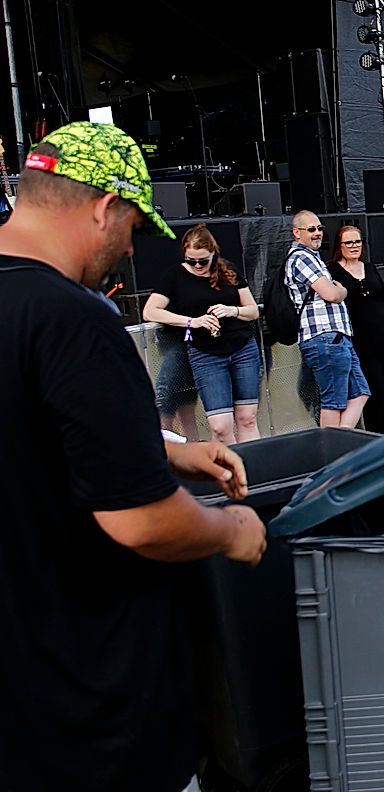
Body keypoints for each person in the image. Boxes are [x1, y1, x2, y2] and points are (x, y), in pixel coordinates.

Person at [0, 121, 266, 792]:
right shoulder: (72, 317)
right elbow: (140, 521)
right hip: (92, 712)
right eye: (130, 228)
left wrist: (168, 451)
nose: (125, 250)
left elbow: (32, 431)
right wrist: (229, 531)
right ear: (102, 207)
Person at [143, 223, 262, 444]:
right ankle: (235, 471)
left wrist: (232, 310)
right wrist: (192, 322)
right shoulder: (175, 276)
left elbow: (253, 310)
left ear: (213, 254)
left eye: (203, 261)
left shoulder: (228, 270)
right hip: (205, 353)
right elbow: (150, 311)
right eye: (192, 261)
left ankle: (253, 469)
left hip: (242, 347)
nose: (197, 265)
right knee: (220, 426)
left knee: (247, 418)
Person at [287, 210, 370, 428]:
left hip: (337, 337)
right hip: (323, 337)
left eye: (319, 229)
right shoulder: (301, 257)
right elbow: (332, 294)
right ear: (297, 233)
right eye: (311, 229)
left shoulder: (312, 257)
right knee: (333, 402)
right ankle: (332, 452)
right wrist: (342, 292)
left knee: (360, 393)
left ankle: (340, 445)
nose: (317, 233)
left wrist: (339, 291)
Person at [327, 225, 384, 433]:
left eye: (357, 242)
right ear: (339, 246)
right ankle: (374, 437)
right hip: (361, 342)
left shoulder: (368, 267)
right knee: (372, 388)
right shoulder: (332, 271)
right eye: (348, 242)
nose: (354, 246)